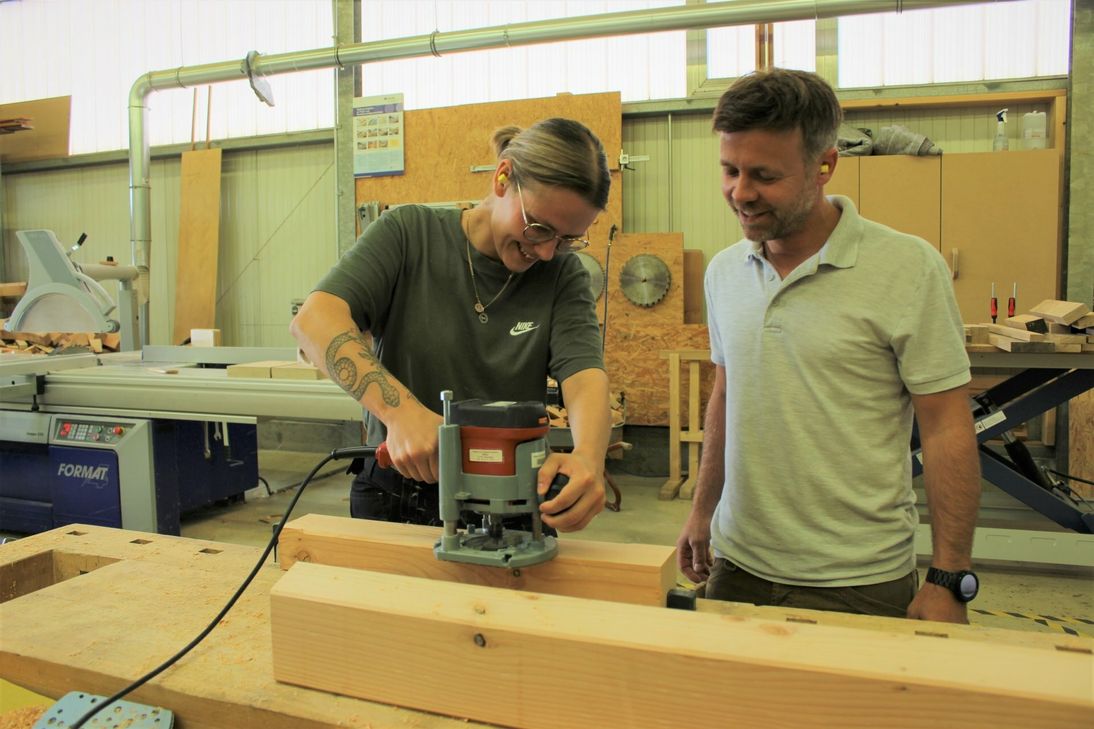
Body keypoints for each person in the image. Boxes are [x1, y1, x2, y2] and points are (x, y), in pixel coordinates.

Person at [676, 69, 981, 624]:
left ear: (825, 164)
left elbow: (946, 427)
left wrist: (948, 577)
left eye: (764, 175)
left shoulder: (907, 268)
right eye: (729, 170)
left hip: (858, 580)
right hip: (738, 566)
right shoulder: (724, 273)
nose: (740, 193)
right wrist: (702, 512)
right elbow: (727, 393)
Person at [291, 117, 611, 534]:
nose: (548, 252)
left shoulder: (562, 275)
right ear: (502, 178)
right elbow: (315, 320)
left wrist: (588, 458)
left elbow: (585, 376)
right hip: (396, 493)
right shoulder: (408, 235)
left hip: (510, 497)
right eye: (540, 228)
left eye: (568, 239)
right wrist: (402, 415)